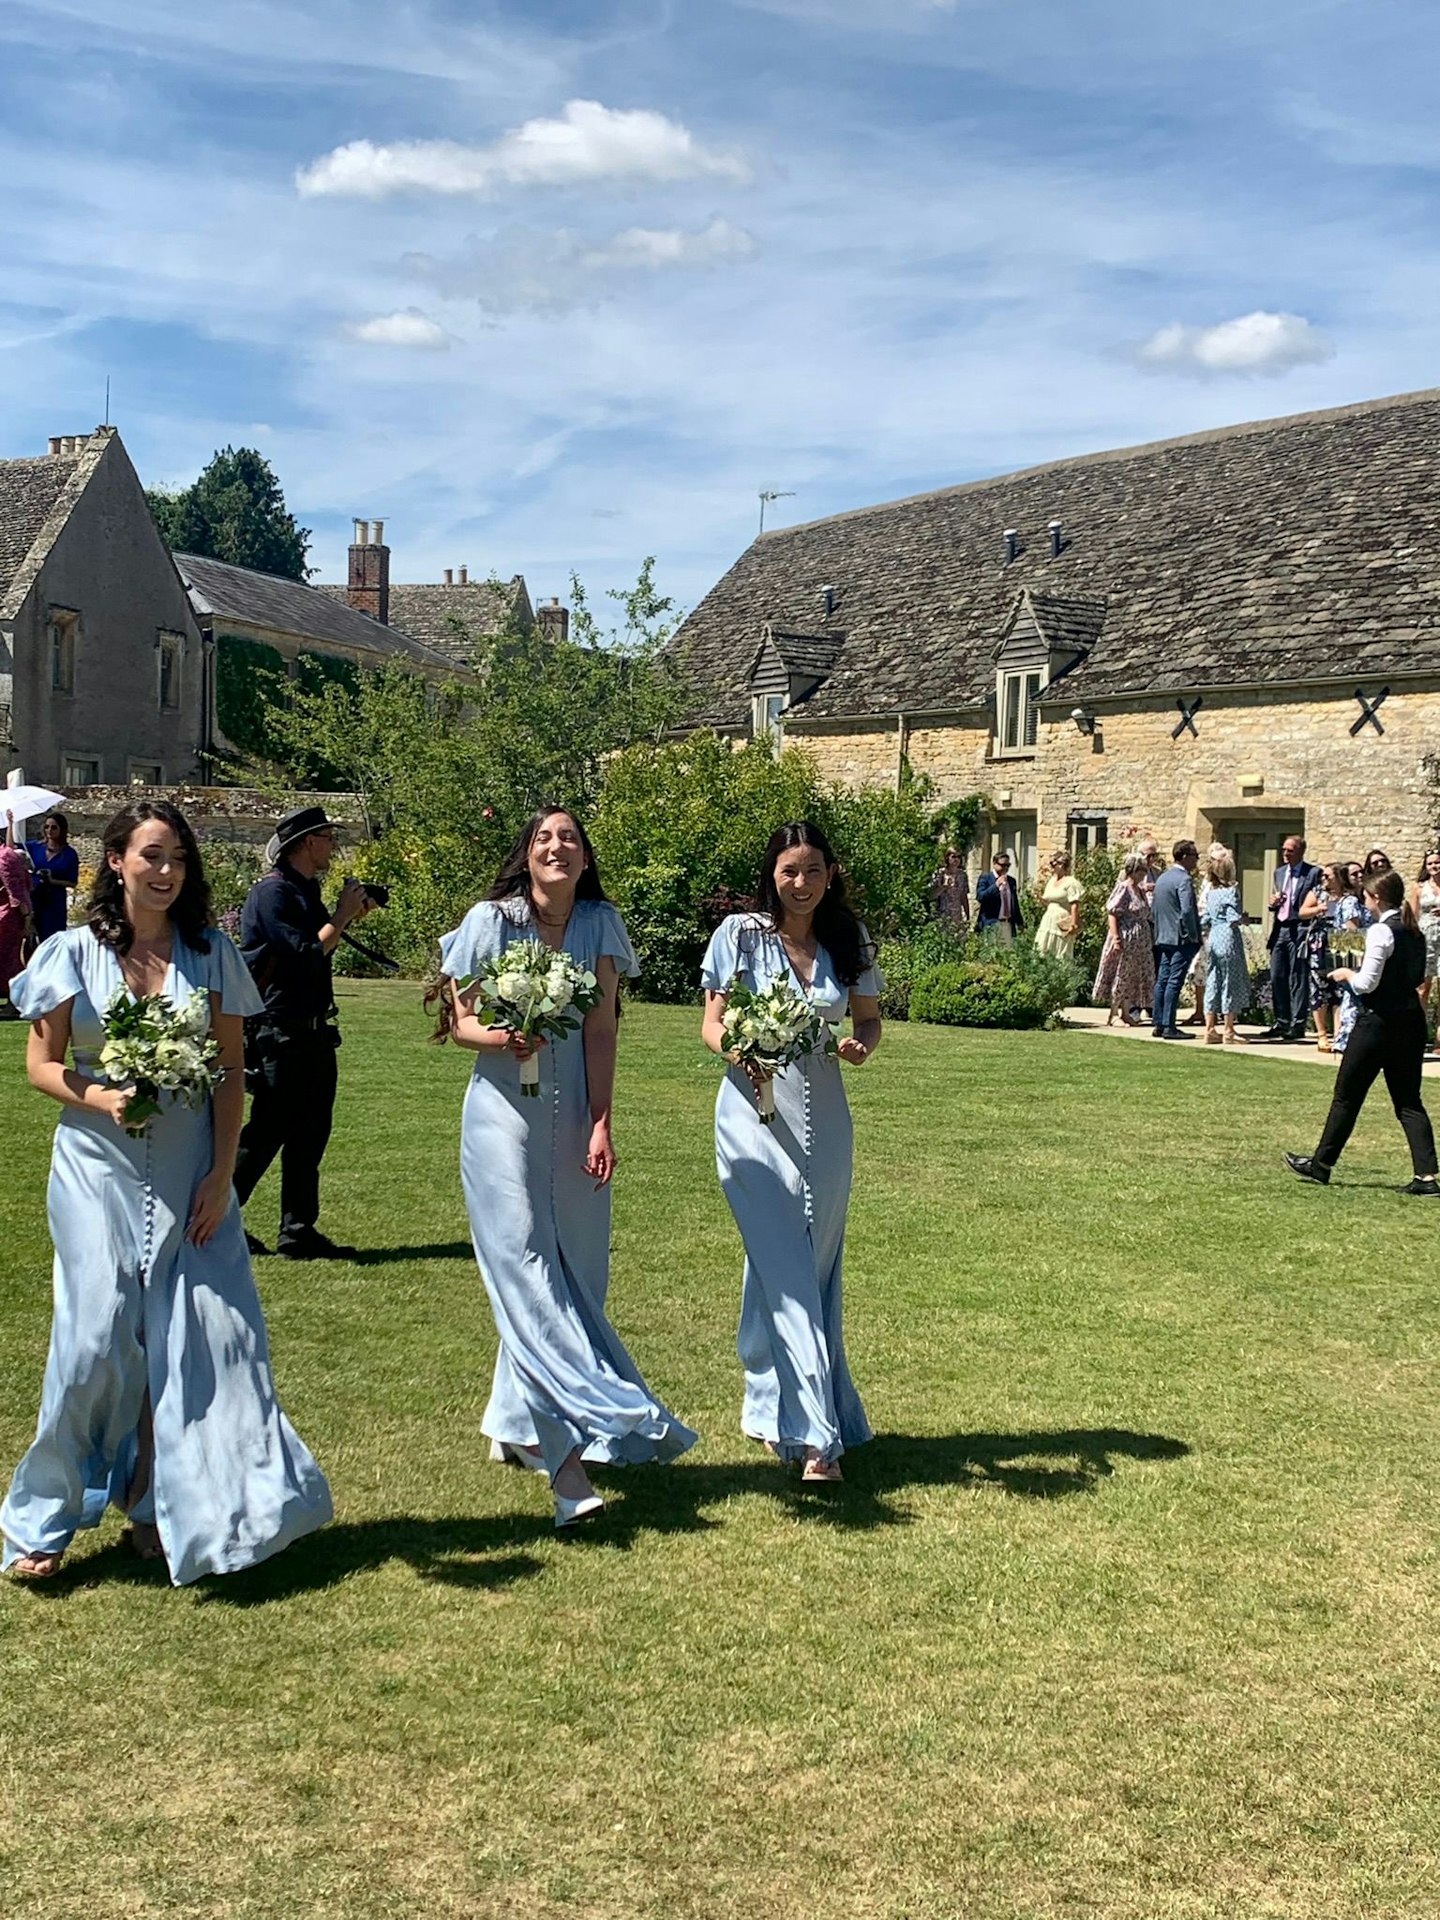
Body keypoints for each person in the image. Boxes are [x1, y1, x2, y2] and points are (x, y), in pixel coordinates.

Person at [1, 801, 332, 1582]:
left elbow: (227, 1076)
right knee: (95, 1340)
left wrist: (221, 1176)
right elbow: (41, 1065)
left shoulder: (210, 954)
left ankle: (159, 1500)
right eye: (151, 855)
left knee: (194, 1338)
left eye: (177, 858)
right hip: (95, 1169)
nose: (165, 871)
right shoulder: (70, 953)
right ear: (114, 861)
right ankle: (43, 1516)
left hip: (189, 1171)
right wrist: (100, 1097)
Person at [434, 807, 695, 1528]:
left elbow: (604, 1026)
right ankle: (566, 1463)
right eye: (544, 837)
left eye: (570, 838)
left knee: (577, 1269)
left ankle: (512, 1420)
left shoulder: (599, 924)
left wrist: (603, 1119)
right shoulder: (492, 919)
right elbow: (458, 1021)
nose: (557, 846)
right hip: (499, 1120)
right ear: (527, 854)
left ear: (584, 859)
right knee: (526, 1269)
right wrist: (501, 1033)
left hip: (576, 1111)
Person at [701, 821, 883, 1484]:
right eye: (789, 871)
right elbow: (711, 1024)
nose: (800, 883)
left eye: (812, 870)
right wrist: (741, 1052)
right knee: (785, 1263)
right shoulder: (740, 937)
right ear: (771, 875)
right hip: (751, 1116)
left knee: (809, 1268)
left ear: (829, 873)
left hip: (826, 1120)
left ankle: (774, 1397)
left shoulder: (848, 939)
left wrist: (863, 1043)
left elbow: (867, 1019)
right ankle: (816, 1439)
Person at [232, 806, 374, 1260]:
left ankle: (297, 1230)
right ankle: (217, 1216)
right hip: (280, 1031)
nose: (333, 845)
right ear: (307, 842)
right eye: (329, 837)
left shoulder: (303, 891)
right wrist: (343, 915)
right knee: (266, 1132)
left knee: (310, 1133)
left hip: (311, 1032)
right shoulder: (271, 895)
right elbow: (305, 953)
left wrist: (346, 914)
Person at [1285, 869, 1439, 1195]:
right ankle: (1426, 1176)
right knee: (1409, 1101)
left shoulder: (1381, 932)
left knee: (1346, 1095)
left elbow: (1368, 982)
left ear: (1377, 898)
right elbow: (1417, 976)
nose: (1365, 903)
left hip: (1378, 1021)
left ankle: (1321, 1163)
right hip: (1410, 1020)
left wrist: (1345, 974)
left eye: (1367, 898)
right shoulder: (1414, 931)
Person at [1260, 834, 1323, 1042]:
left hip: (1300, 928)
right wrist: (1273, 902)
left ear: (1301, 852)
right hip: (1280, 928)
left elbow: (1316, 900)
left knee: (1297, 976)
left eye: (1290, 850)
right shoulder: (1279, 873)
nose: (1285, 854)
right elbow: (1276, 900)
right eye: (1284, 850)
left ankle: (1298, 1023)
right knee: (1277, 975)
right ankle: (1281, 1021)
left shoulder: (1313, 873)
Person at [1092, 852, 1155, 1026]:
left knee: (1133, 977)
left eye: (1144, 870)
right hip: (1125, 938)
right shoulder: (1124, 887)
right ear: (1131, 871)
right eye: (1140, 871)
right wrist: (1116, 939)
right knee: (1121, 974)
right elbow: (1112, 913)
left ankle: (1126, 1012)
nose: (1143, 874)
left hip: (1140, 942)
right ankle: (1114, 1013)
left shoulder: (1139, 890)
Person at [1150, 840, 1202, 1040]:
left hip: (1163, 936)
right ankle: (1169, 1025)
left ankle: (1159, 1023)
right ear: (1186, 857)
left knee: (1163, 979)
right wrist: (1193, 935)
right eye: (1195, 856)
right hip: (1180, 939)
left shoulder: (1163, 878)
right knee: (1174, 980)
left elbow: (1155, 908)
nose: (1197, 861)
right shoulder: (1183, 880)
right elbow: (1187, 910)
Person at [1200, 850, 1248, 1045]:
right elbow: (1232, 917)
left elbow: (1206, 919)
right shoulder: (1231, 892)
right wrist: (1243, 919)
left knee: (1213, 980)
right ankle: (1228, 1029)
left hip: (1214, 937)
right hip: (1228, 937)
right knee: (1230, 981)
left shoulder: (1211, 893)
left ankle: (1209, 1028)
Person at [26, 810, 80, 944]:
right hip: (35, 898)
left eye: (54, 827)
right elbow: (11, 847)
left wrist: (52, 880)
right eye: (47, 827)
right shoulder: (36, 847)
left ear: (61, 829)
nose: (49, 830)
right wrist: (10, 824)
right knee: (31, 939)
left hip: (54, 903)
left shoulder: (69, 854)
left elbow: (73, 882)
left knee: (52, 940)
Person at [0, 827, 34, 1019]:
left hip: (9, 916)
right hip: (5, 913)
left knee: (10, 959)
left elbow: (16, 893)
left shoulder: (5, 857)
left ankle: (14, 1003)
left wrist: (27, 916)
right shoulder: (5, 854)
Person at [1033, 849, 1084, 960]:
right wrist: (1040, 899)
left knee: (1061, 952)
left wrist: (1073, 924)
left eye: (1054, 864)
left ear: (1061, 865)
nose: (1052, 867)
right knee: (1042, 948)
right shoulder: (1051, 881)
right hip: (1049, 919)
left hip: (1062, 920)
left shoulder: (1071, 882)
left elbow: (1074, 904)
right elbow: (1048, 901)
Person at [1409, 850, 1440, 1024]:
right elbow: (1413, 916)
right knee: (1422, 988)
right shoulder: (1419, 887)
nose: (1434, 866)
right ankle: (1418, 1032)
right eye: (1430, 863)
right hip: (1426, 938)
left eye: (1437, 862)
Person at [975, 851, 1023, 944]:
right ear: (994, 863)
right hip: (992, 922)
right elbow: (981, 897)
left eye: (1008, 865)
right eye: (1002, 865)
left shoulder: (1011, 881)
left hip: (1007, 923)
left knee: (1007, 954)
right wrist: (996, 885)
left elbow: (1014, 902)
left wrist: (1019, 922)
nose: (1005, 868)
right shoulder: (986, 878)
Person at [929, 848, 970, 931]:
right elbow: (931, 895)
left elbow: (963, 896)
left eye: (959, 857)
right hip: (942, 915)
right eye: (953, 856)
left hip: (957, 915)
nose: (956, 859)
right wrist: (943, 887)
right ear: (947, 858)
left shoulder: (962, 875)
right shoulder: (940, 873)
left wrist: (968, 915)